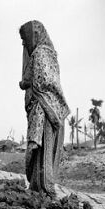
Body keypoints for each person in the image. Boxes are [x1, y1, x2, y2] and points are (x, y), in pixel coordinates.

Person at [19, 20, 70, 196]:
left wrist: (26, 83)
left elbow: (45, 80)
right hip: (50, 107)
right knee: (42, 151)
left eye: (25, 39)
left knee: (42, 150)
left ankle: (44, 188)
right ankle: (39, 187)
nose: (24, 44)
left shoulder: (41, 53)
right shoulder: (49, 54)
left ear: (34, 36)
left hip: (45, 109)